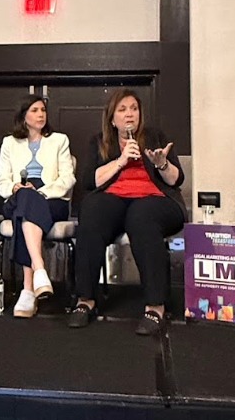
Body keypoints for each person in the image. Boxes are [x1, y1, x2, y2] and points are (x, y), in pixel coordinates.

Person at [67, 88, 187, 335]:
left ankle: (156, 306)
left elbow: (176, 180)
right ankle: (85, 300)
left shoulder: (155, 137)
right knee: (90, 209)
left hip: (156, 200)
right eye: (122, 110)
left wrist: (162, 164)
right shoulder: (99, 142)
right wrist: (120, 161)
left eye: (134, 108)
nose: (129, 114)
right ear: (112, 119)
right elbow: (90, 181)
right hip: (115, 198)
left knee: (141, 216)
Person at [0, 95, 75, 318]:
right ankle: (39, 268)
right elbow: (1, 182)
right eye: (34, 110)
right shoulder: (9, 143)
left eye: (43, 110)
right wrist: (16, 188)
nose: (40, 114)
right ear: (23, 116)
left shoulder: (60, 140)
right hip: (17, 196)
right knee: (25, 200)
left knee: (27, 206)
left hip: (51, 198)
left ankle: (28, 289)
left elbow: (68, 179)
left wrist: (40, 192)